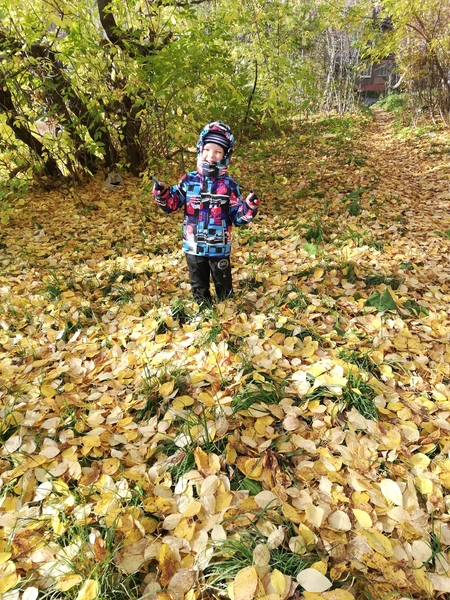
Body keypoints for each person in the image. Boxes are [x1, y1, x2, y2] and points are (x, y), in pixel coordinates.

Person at [153, 121, 260, 304]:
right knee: (198, 283)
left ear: (226, 155)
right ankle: (203, 309)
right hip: (193, 245)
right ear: (200, 149)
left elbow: (237, 216)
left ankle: (227, 308)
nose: (211, 156)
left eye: (218, 152)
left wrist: (248, 208)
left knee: (223, 281)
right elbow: (172, 203)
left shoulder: (229, 185)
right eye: (208, 149)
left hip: (219, 245)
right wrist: (162, 193)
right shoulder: (189, 180)